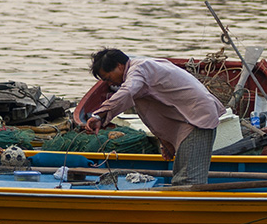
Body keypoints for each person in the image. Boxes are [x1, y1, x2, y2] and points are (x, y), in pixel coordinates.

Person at [84, 48, 224, 187]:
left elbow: (127, 93)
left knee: (189, 181)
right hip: (189, 118)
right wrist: (165, 142)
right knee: (181, 177)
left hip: (198, 118)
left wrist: (99, 115)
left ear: (119, 66)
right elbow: (153, 112)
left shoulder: (138, 70)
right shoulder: (143, 67)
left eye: (108, 78)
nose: (109, 84)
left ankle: (191, 208)